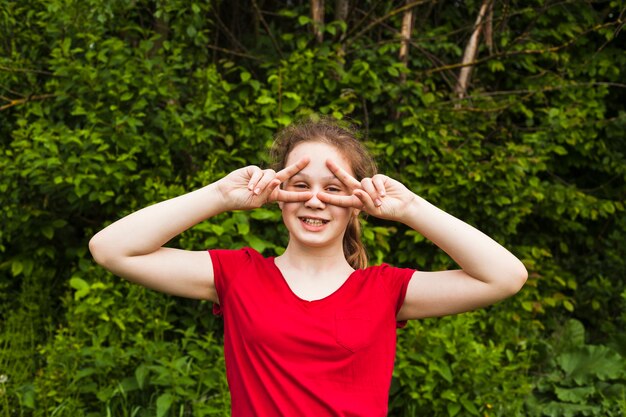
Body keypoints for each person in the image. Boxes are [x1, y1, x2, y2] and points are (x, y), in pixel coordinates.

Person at [89, 117, 527, 417]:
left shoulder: (386, 290)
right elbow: (111, 249)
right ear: (277, 192)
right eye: (300, 185)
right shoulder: (237, 276)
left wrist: (410, 207)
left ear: (357, 203)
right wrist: (221, 196)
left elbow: (505, 276)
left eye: (333, 188)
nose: (314, 200)